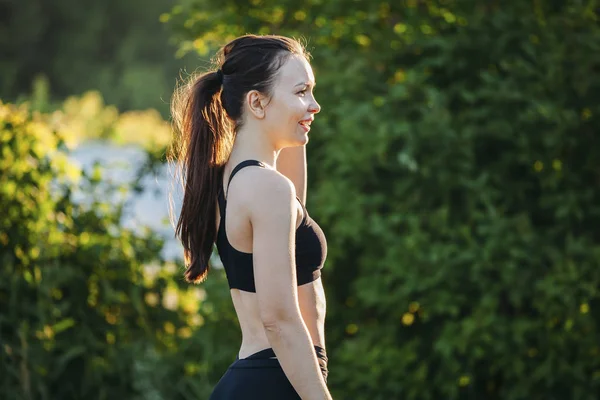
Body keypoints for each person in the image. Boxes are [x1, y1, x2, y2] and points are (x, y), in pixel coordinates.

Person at [169, 34, 332, 400]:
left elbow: (293, 206)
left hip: (270, 376)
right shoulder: (266, 188)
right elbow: (280, 321)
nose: (315, 105)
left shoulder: (238, 178)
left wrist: (293, 116)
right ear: (256, 102)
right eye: (302, 92)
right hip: (276, 379)